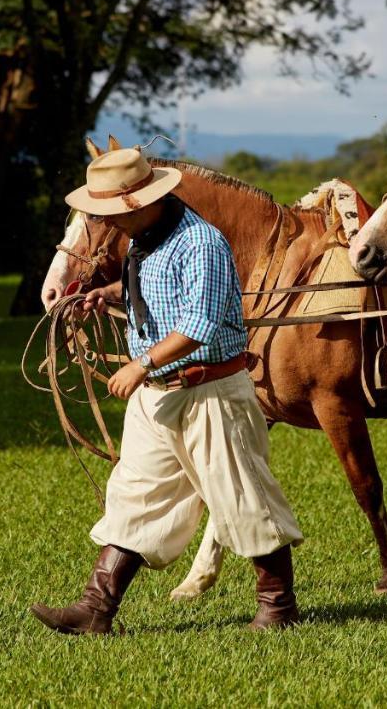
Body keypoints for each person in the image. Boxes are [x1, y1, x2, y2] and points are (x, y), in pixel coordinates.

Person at [31, 144, 304, 635]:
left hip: (211, 393)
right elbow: (157, 285)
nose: (107, 222)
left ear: (139, 203)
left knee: (242, 494)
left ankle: (278, 608)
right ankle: (96, 609)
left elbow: (198, 322)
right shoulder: (145, 240)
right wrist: (108, 293)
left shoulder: (203, 243)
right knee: (137, 494)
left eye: (110, 211)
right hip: (159, 397)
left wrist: (140, 365)